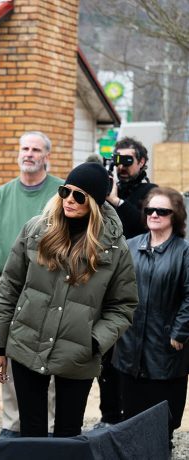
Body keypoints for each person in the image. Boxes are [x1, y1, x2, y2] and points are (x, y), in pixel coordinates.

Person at [0, 162, 138, 437]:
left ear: (94, 202)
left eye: (79, 196)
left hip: (78, 354)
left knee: (69, 434)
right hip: (26, 345)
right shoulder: (36, 230)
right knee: (31, 431)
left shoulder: (115, 248)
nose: (69, 200)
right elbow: (9, 288)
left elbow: (123, 306)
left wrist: (94, 342)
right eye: (64, 191)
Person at [0, 131, 64, 436]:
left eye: (35, 149)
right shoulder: (1, 194)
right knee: (10, 356)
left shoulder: (60, 193)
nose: (28, 153)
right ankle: (13, 425)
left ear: (46, 156)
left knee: (48, 357)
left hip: (50, 290)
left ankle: (51, 425)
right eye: (25, 148)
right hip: (7, 288)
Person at [113, 187, 189, 448]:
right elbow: (116, 291)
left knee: (161, 420)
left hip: (166, 346)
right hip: (129, 344)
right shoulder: (130, 246)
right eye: (150, 210)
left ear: (175, 215)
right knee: (131, 418)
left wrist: (179, 332)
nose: (155, 214)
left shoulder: (184, 251)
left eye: (163, 211)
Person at [99, 136, 158, 428]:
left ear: (142, 162)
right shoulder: (106, 186)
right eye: (117, 160)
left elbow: (145, 226)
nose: (121, 166)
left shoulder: (151, 193)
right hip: (104, 279)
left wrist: (116, 200)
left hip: (137, 279)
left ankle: (132, 419)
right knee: (105, 355)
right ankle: (108, 416)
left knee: (131, 353)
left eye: (128, 160)